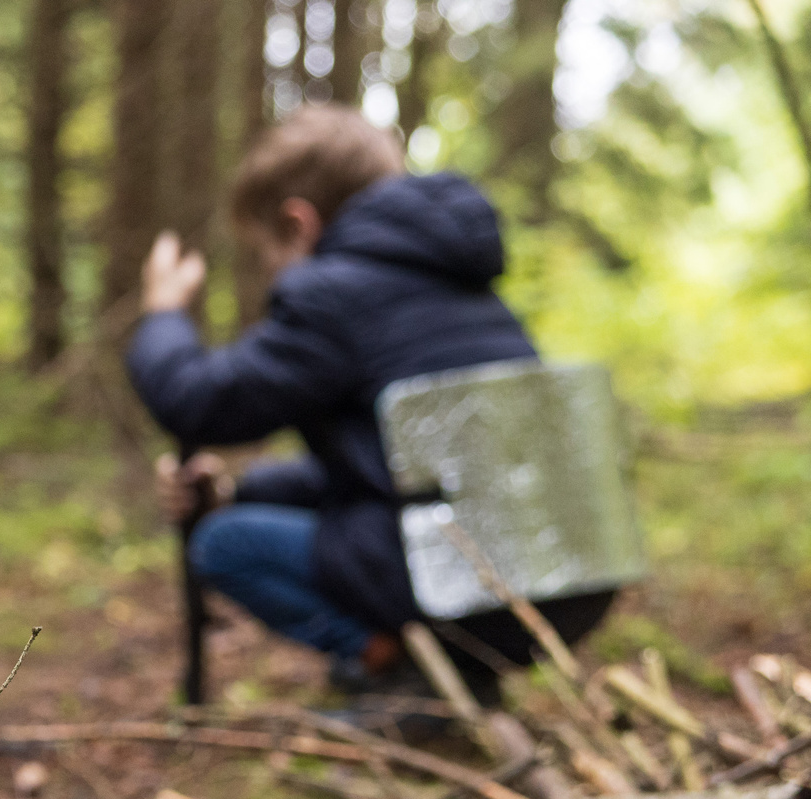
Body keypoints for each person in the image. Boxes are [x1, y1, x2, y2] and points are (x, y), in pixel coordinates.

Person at [126, 105, 609, 700]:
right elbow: (402, 469)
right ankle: (449, 671)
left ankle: (405, 675)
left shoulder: (334, 293)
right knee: (249, 516)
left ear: (299, 225)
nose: (270, 271)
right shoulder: (461, 281)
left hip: (466, 588)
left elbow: (196, 402)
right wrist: (236, 489)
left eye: (265, 252)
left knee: (226, 545)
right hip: (566, 584)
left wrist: (165, 314)